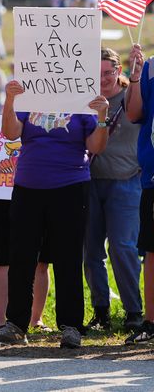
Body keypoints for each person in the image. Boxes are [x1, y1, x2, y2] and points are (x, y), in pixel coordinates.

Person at [0, 81, 109, 349]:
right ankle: (17, 324)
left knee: (68, 257)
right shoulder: (28, 94)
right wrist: (10, 100)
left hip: (70, 186)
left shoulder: (83, 99)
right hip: (28, 186)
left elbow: (97, 146)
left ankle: (71, 326)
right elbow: (10, 133)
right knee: (21, 256)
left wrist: (102, 117)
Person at [84, 48, 142, 332]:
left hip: (127, 179)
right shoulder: (85, 97)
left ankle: (134, 310)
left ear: (119, 70)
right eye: (98, 73)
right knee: (91, 250)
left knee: (122, 247)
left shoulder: (133, 94)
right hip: (90, 180)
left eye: (108, 72)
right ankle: (101, 311)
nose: (103, 79)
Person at [124, 44, 154, 343]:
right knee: (152, 251)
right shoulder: (151, 67)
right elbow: (134, 114)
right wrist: (134, 78)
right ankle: (150, 321)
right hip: (153, 177)